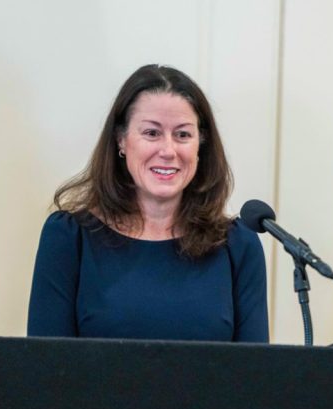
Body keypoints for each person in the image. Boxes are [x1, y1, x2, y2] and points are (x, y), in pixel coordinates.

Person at [27, 65, 268, 342]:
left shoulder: (239, 246)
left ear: (200, 144)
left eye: (183, 135)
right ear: (121, 140)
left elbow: (253, 379)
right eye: (152, 133)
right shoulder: (68, 238)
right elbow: (44, 373)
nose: (168, 151)